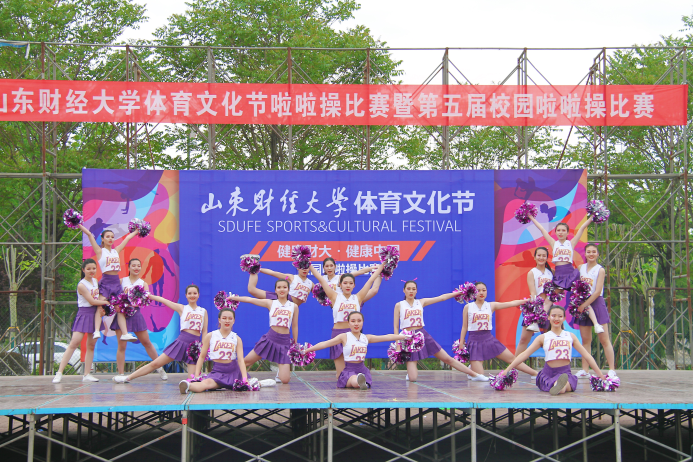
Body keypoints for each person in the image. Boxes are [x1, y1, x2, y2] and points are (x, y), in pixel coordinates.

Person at [394, 280, 488, 382]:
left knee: (447, 359)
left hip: (422, 334)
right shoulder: (399, 305)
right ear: (404, 290)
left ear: (416, 291)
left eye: (413, 289)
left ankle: (475, 374)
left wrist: (459, 292)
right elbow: (396, 327)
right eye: (408, 289)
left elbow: (442, 298)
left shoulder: (420, 302)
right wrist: (398, 344)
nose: (411, 291)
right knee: (413, 378)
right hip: (408, 338)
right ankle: (410, 373)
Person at [502, 305, 607, 395]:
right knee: (562, 386)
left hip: (565, 373)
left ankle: (560, 386)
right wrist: (507, 370)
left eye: (560, 316)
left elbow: (587, 356)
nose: (556, 318)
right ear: (548, 317)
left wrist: (601, 375)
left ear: (564, 318)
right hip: (548, 374)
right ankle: (559, 386)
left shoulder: (570, 336)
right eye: (553, 315)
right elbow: (524, 354)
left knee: (565, 383)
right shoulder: (543, 337)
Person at [113, 284, 208, 383]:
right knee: (155, 364)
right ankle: (127, 378)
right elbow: (163, 300)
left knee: (193, 379)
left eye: (194, 293)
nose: (192, 295)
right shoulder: (182, 308)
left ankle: (188, 385)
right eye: (189, 293)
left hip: (194, 347)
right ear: (186, 295)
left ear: (198, 295)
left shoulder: (203, 311)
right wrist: (147, 295)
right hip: (181, 342)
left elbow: (204, 331)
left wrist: (203, 347)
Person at [527, 216, 603, 331]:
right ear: (555, 232)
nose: (561, 232)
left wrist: (592, 216)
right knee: (549, 299)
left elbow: (582, 228)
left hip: (571, 274)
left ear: (567, 232)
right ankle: (535, 323)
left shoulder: (571, 243)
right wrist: (530, 217)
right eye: (558, 230)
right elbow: (542, 229)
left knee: (582, 298)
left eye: (563, 230)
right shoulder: (554, 243)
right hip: (559, 276)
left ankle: (596, 324)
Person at [309, 263, 384, 376]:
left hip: (354, 335)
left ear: (354, 285)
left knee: (353, 372)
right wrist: (308, 263)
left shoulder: (358, 297)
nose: (348, 285)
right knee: (341, 375)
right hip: (338, 335)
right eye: (345, 283)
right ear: (340, 284)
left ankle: (357, 380)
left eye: (350, 283)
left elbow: (370, 282)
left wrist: (382, 266)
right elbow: (321, 279)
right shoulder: (334, 296)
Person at [179, 308, 277, 393]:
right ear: (219, 320)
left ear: (234, 321)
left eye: (230, 318)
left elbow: (240, 360)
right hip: (217, 372)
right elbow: (201, 356)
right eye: (224, 318)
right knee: (207, 383)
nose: (227, 321)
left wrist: (244, 378)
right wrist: (197, 375)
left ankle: (260, 383)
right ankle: (187, 386)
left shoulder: (237, 338)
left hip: (234, 372)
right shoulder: (211, 336)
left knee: (246, 386)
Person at [305, 311, 407, 389]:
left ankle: (361, 381)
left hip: (362, 369)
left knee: (358, 379)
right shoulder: (344, 337)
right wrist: (307, 350)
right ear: (348, 323)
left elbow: (386, 337)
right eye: (353, 321)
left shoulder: (366, 338)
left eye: (359, 321)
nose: (356, 324)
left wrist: (404, 337)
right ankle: (359, 382)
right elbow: (325, 344)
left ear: (362, 323)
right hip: (349, 370)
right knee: (354, 380)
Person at [460, 282, 538, 379]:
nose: (481, 292)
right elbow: (464, 327)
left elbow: (510, 303)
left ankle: (535, 373)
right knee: (480, 377)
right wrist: (461, 342)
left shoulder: (491, 305)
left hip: (488, 339)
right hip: (474, 341)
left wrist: (526, 301)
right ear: (473, 292)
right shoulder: (468, 307)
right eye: (478, 290)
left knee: (512, 358)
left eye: (484, 290)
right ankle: (473, 368)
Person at [227, 279, 299, 384]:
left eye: (284, 287)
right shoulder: (270, 303)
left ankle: (270, 378)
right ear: (275, 290)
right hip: (270, 338)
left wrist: (295, 343)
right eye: (279, 287)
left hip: (284, 342)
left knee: (285, 380)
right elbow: (250, 300)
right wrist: (233, 298)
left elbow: (295, 326)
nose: (282, 289)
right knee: (245, 362)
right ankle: (231, 377)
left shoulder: (294, 306)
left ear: (288, 290)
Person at [53, 259, 112, 383]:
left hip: (95, 314)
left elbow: (99, 298)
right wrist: (108, 302)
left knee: (91, 345)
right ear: (83, 270)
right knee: (74, 343)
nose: (91, 271)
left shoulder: (95, 282)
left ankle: (87, 374)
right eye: (88, 269)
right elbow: (92, 301)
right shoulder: (81, 285)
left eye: (94, 268)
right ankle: (59, 373)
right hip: (84, 313)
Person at [76, 223, 138, 341]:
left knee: (120, 307)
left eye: (112, 237)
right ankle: (96, 331)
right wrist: (78, 223)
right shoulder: (100, 251)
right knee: (100, 305)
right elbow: (89, 235)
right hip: (106, 281)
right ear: (103, 239)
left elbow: (128, 238)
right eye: (108, 237)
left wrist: (137, 230)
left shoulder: (116, 251)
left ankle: (125, 333)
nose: (110, 239)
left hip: (116, 282)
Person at [111, 258, 167, 382]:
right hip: (122, 315)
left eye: (138, 266)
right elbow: (114, 296)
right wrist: (117, 305)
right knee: (121, 346)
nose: (136, 268)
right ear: (129, 267)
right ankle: (121, 374)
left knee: (147, 342)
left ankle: (160, 368)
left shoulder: (143, 283)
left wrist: (135, 303)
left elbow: (145, 300)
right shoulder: (122, 281)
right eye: (134, 265)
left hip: (136, 314)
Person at [572, 243, 618, 379]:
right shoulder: (580, 268)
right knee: (586, 340)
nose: (591, 254)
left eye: (593, 252)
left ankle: (611, 369)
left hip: (596, 303)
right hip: (582, 303)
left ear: (598, 254)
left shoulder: (600, 270)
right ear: (585, 254)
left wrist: (584, 305)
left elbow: (597, 291)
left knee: (604, 339)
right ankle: (585, 370)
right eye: (588, 252)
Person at [516, 247, 554, 355]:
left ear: (547, 258)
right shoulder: (532, 272)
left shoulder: (551, 272)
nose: (541, 258)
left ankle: (551, 364)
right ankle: (515, 364)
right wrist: (537, 310)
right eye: (539, 255)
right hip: (535, 307)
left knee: (549, 338)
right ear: (535, 257)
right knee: (524, 339)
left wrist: (548, 304)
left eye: (544, 255)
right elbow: (533, 292)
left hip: (549, 308)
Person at [247, 258, 313, 307]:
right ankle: (253, 263)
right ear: (298, 268)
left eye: (306, 267)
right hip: (283, 299)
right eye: (302, 267)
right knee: (252, 290)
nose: (304, 269)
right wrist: (257, 268)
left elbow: (319, 293)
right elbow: (273, 273)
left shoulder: (310, 283)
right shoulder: (292, 277)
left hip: (289, 307)